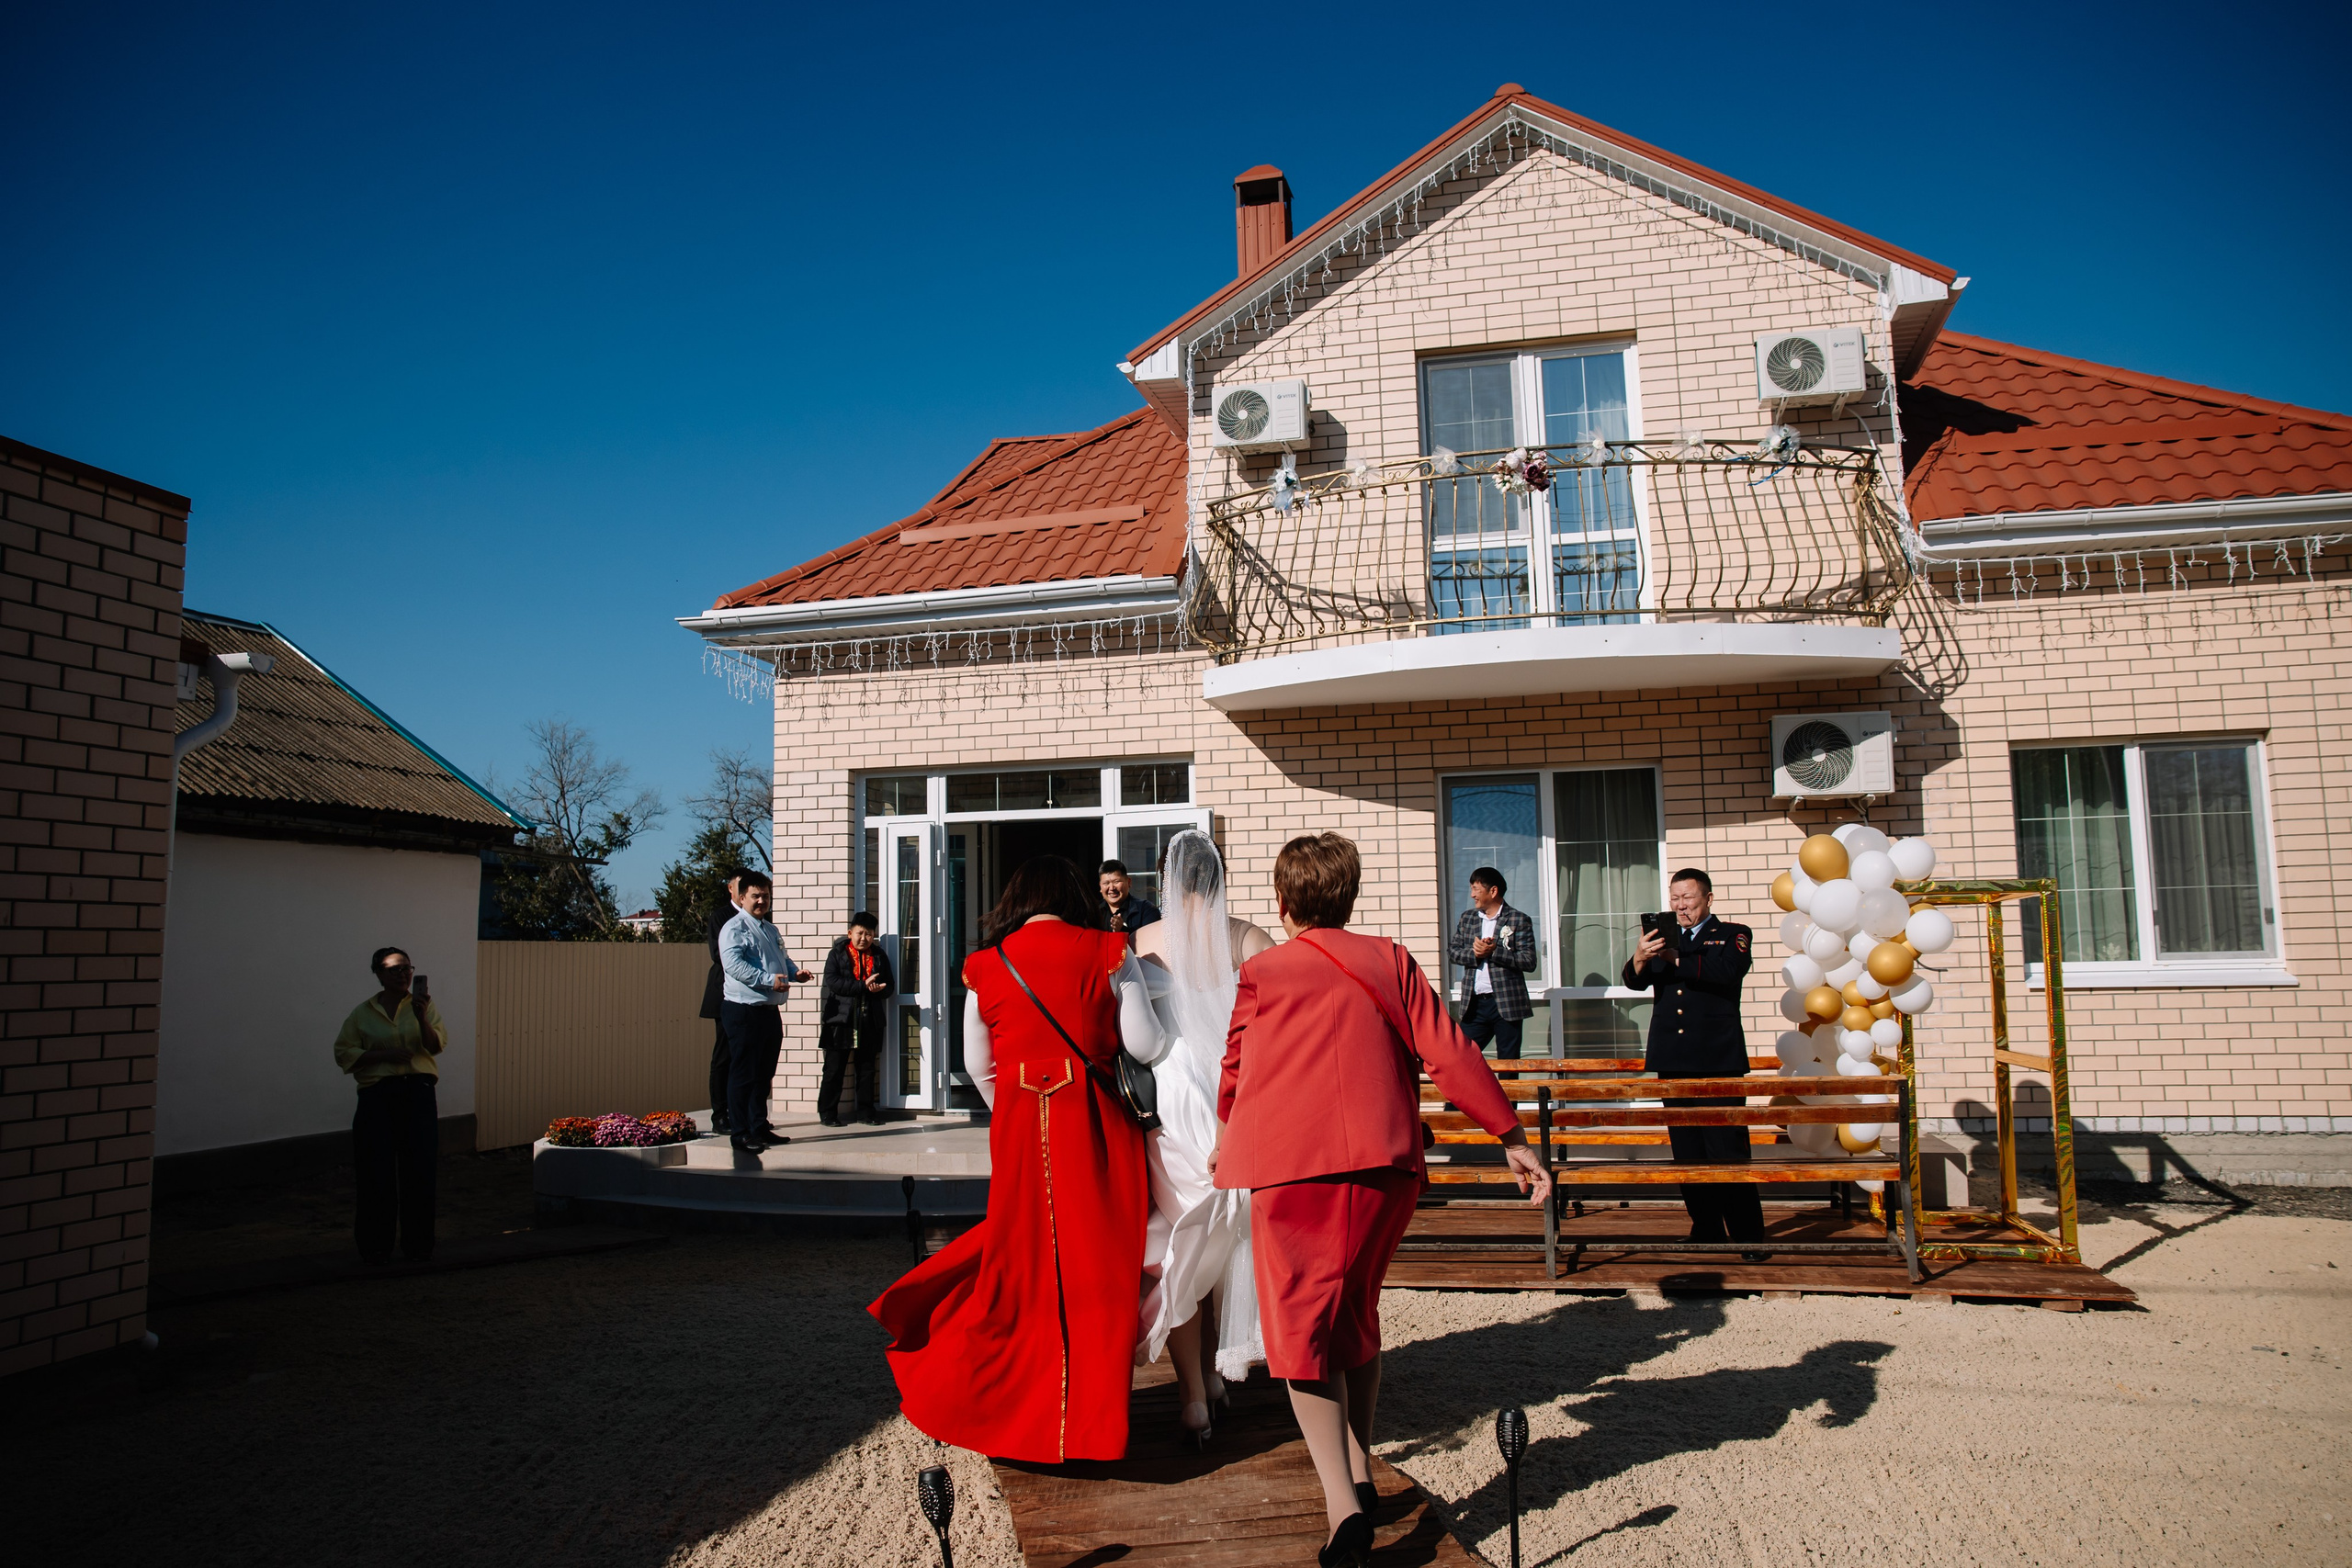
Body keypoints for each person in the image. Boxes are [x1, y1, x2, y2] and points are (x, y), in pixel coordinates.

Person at [1217, 833, 1550, 1567]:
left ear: (1282, 901)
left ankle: (1342, 1508)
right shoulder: (1390, 957)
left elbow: (1235, 1066)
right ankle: (1362, 1473)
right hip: (1386, 1163)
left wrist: (1224, 1132)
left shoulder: (1264, 969)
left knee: (1300, 1331)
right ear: (1350, 895)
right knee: (1354, 1313)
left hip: (1293, 1168)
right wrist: (1509, 1132)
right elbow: (1452, 1048)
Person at [868, 855, 1164, 1463]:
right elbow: (1144, 1043)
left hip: (1024, 1127)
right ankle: (1090, 1427)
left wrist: (1016, 1107)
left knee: (1024, 1261)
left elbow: (978, 1064)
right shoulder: (1110, 950)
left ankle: (1020, 1416)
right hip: (1098, 1124)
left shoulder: (986, 965)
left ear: (1017, 900)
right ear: (1076, 895)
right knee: (1102, 1265)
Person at [1132, 830, 1274, 1447]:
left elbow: (1131, 1036)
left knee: (1186, 1241)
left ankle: (1194, 1393)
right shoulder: (1249, 938)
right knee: (1232, 1230)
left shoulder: (1141, 943)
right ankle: (1223, 1369)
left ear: (1166, 878)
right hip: (1237, 1092)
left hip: (1173, 1097)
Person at [1621, 867, 1766, 1256]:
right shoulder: (1663, 938)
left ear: (1708, 899)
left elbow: (1725, 973)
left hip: (1718, 1059)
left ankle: (1748, 1236)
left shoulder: (1733, 934)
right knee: (1687, 1152)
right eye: (1675, 899)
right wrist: (1639, 957)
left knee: (1727, 1150)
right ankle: (1706, 1228)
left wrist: (1672, 955)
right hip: (1674, 1058)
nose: (1680, 906)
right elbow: (1635, 982)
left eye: (1688, 899)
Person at [332, 947, 447, 1264]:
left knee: (419, 1171)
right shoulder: (362, 1013)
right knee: (375, 1171)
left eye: (407, 968)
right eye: (394, 969)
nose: (403, 974)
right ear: (379, 974)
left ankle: (418, 1246)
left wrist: (422, 1017)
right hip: (378, 1097)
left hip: (418, 1094)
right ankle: (375, 1247)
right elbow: (344, 1053)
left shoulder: (423, 1006)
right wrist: (384, 1056)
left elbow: (435, 1046)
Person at [718, 871, 810, 1153]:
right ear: (742, 897)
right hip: (743, 1011)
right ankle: (740, 1132)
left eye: (766, 896)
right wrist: (769, 980)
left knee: (764, 1072)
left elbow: (782, 959)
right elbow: (734, 966)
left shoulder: (769, 928)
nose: (761, 901)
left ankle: (759, 1126)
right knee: (743, 1073)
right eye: (756, 896)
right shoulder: (733, 928)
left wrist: (795, 973)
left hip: (769, 1011)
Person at [1447, 866, 1538, 1060]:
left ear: (1493, 891)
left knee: (1509, 1062)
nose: (1472, 895)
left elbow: (1529, 961)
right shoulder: (1467, 919)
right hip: (1475, 1005)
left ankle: (1508, 1092)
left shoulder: (1518, 919)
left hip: (1507, 1005)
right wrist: (1476, 954)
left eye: (1476, 889)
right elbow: (1453, 953)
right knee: (1460, 1056)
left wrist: (1494, 952)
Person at [817, 911, 893, 1127]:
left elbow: (890, 986)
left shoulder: (879, 955)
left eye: (869, 935)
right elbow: (833, 982)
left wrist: (878, 990)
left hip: (869, 1020)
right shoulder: (838, 954)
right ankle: (828, 1112)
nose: (864, 938)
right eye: (860, 933)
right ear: (850, 933)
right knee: (834, 1069)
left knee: (867, 1070)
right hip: (840, 1021)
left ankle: (866, 1112)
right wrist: (862, 986)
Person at [700, 869, 746, 1135]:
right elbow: (722, 956)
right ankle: (720, 1115)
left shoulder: (760, 919)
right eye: (740, 888)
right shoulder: (721, 917)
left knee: (748, 1058)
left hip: (753, 998)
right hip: (725, 993)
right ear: (731, 889)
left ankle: (745, 1113)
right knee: (724, 1056)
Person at [1096, 859, 1162, 942]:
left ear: (1129, 882)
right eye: (1106, 883)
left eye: (1116, 882)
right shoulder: (1093, 912)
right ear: (1100, 887)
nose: (1112, 888)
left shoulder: (1146, 910)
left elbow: (1152, 942)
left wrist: (1123, 930)